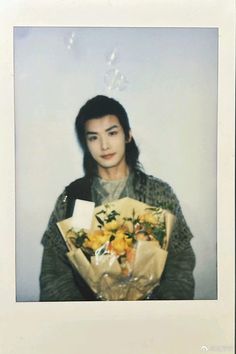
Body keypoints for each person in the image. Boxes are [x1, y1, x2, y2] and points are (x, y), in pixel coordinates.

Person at [39, 95, 196, 301]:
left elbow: (180, 264)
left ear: (127, 135)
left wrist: (158, 310)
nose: (104, 145)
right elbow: (54, 272)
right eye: (93, 137)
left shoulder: (159, 194)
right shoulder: (74, 198)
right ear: (85, 143)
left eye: (112, 133)